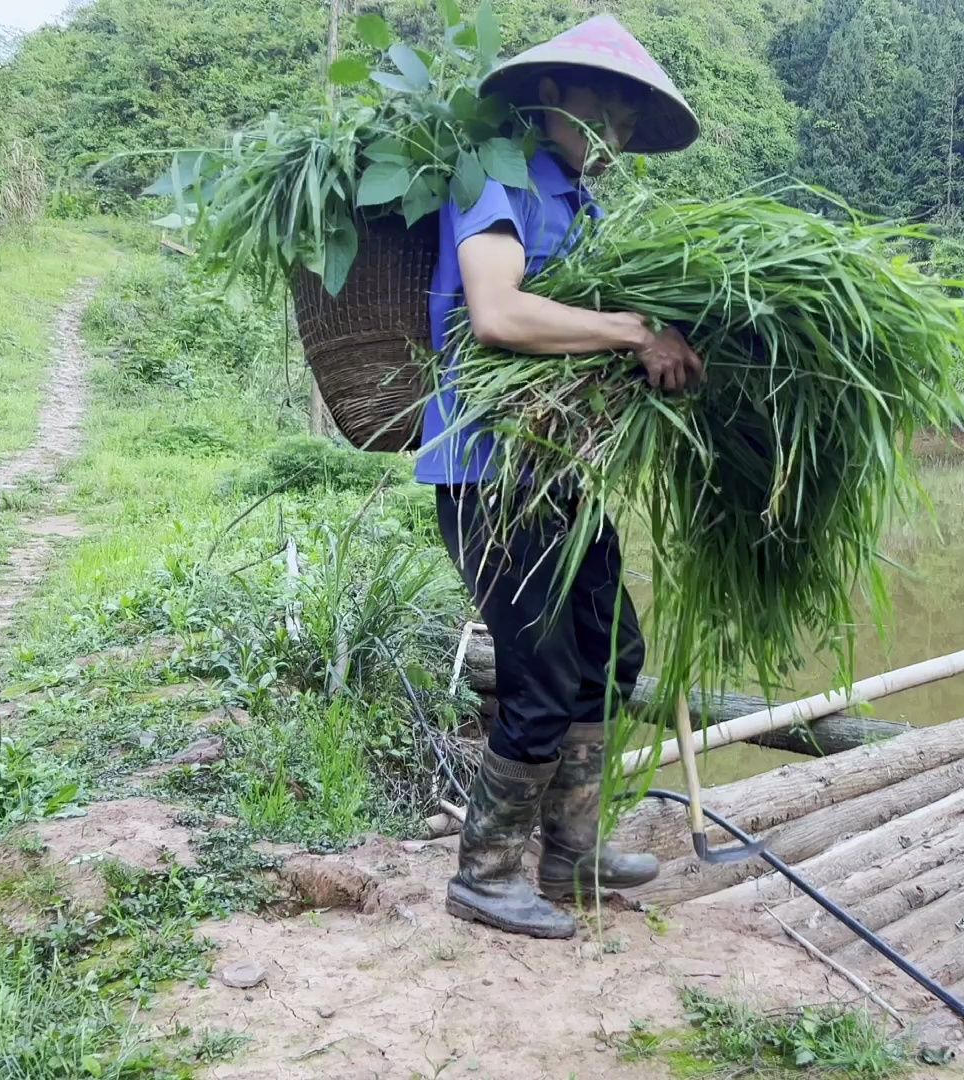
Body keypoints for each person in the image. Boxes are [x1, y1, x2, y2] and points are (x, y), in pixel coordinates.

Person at [417, 17, 703, 939]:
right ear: (559, 99)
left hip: (559, 473)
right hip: (488, 474)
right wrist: (630, 331)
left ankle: (571, 851)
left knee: (610, 651)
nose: (614, 137)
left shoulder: (587, 211)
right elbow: (498, 313)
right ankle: (486, 873)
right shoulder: (496, 177)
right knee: (538, 678)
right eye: (607, 112)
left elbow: (597, 342)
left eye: (627, 121)